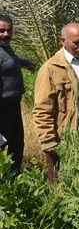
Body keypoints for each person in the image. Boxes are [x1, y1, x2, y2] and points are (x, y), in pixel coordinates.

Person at [33, 23, 79, 183]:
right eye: (76, 42)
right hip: (67, 135)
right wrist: (48, 141)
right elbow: (42, 109)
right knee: (63, 183)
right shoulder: (51, 69)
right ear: (63, 41)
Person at [0, 15, 36, 175]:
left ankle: (15, 179)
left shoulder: (5, 48)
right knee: (4, 147)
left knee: (17, 144)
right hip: (3, 109)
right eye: (1, 30)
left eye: (9, 30)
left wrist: (26, 62)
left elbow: (12, 60)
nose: (6, 34)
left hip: (14, 106)